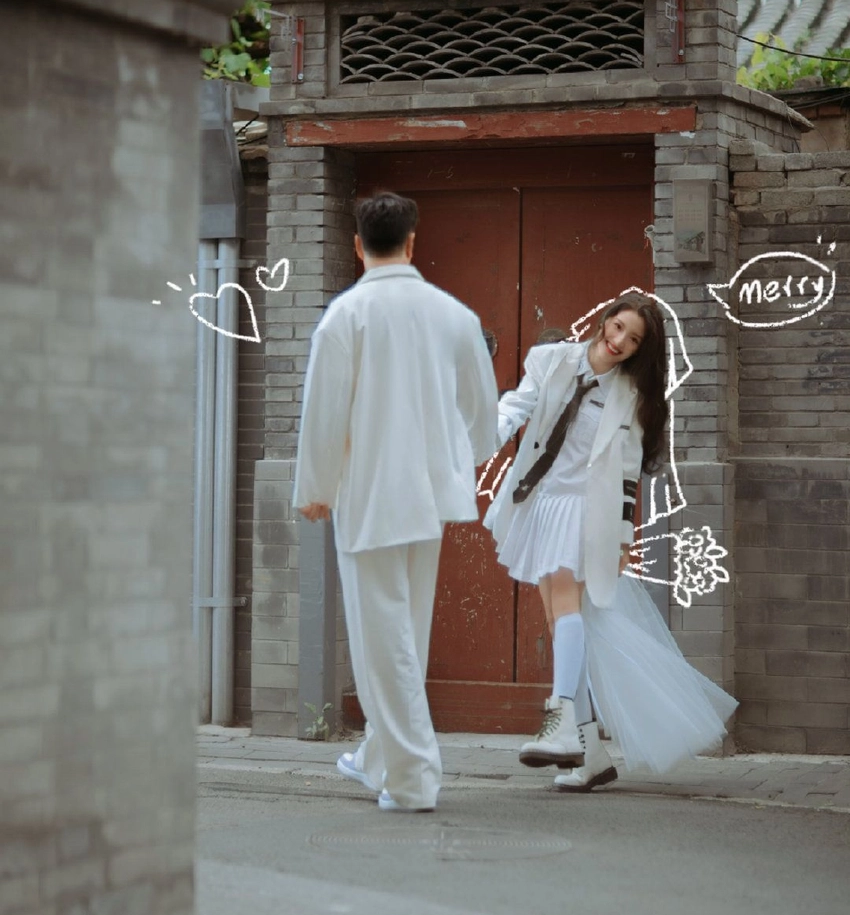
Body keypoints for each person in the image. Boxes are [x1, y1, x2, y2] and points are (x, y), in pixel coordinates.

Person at [294, 192, 498, 813]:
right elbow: (482, 412)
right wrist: (457, 459)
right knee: (405, 630)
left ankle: (411, 777)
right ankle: (379, 758)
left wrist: (316, 487)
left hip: (370, 491)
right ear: (413, 241)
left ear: (357, 246)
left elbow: (324, 410)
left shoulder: (346, 315)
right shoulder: (453, 314)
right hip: (429, 494)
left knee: (382, 637)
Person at [483, 292, 737, 790]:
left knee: (565, 604)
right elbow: (517, 406)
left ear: (640, 349)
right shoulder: (552, 360)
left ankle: (561, 721)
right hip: (542, 501)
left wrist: (623, 539)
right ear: (605, 319)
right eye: (618, 327)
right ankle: (591, 754)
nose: (619, 341)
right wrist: (480, 437)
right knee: (560, 620)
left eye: (633, 339)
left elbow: (627, 476)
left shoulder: (631, 396)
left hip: (585, 510)